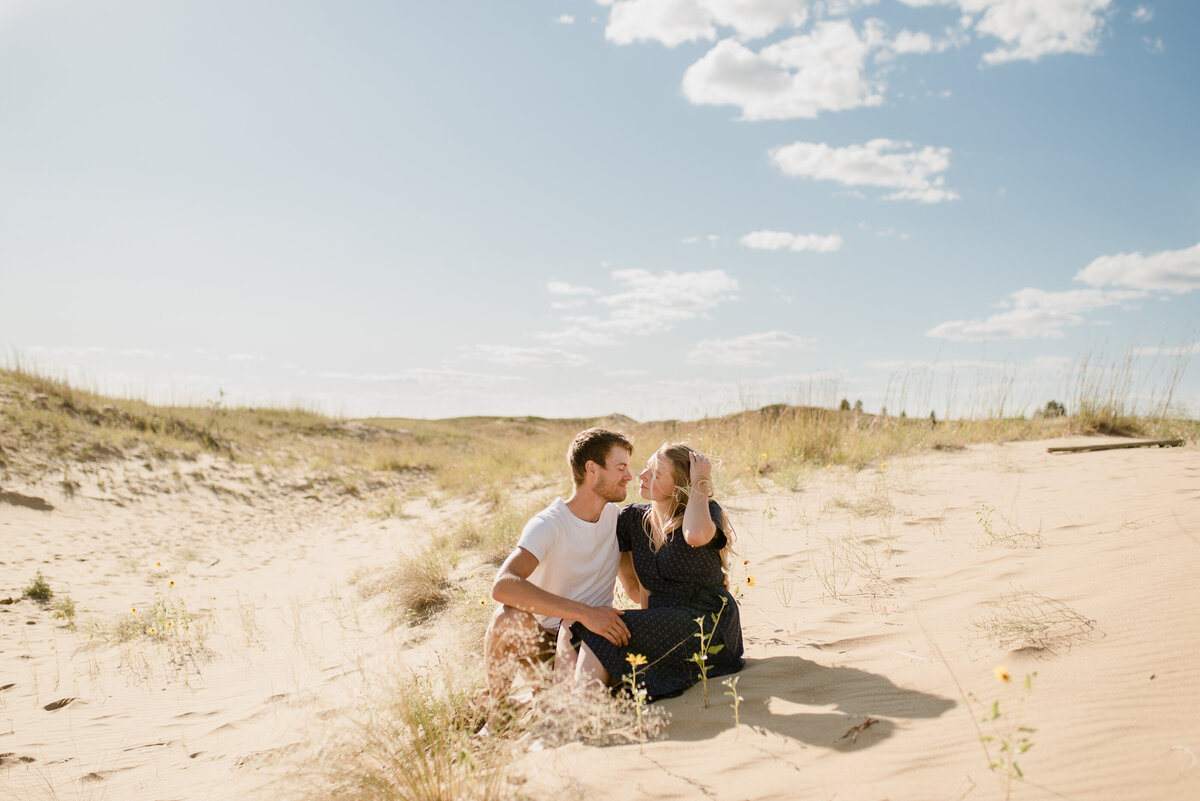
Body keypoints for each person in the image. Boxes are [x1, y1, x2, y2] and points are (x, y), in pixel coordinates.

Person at [566, 442, 744, 700]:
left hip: (708, 626)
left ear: (680, 484)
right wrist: (643, 629)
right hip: (664, 624)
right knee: (582, 623)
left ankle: (582, 713)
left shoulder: (704, 512)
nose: (642, 476)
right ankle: (563, 702)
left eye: (655, 473)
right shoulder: (632, 520)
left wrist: (700, 482)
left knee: (602, 628)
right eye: (646, 468)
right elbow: (637, 592)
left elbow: (695, 535)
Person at [485, 427, 643, 701]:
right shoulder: (549, 524)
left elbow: (634, 589)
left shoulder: (617, 520)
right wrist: (584, 613)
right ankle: (498, 714)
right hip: (546, 645)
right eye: (620, 468)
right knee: (506, 617)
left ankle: (552, 701)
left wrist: (702, 582)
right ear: (592, 469)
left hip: (596, 641)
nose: (629, 476)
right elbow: (503, 586)